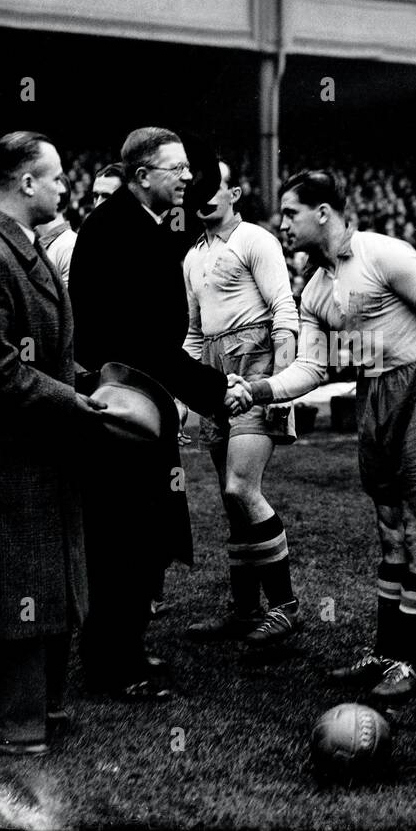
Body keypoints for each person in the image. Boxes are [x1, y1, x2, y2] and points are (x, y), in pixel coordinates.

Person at [239, 169, 416, 706]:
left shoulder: (383, 253)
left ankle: (406, 663)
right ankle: (385, 651)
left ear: (323, 212)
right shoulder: (316, 288)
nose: (282, 224)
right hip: (375, 396)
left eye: (290, 213)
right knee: (389, 530)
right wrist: (258, 390)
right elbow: (312, 368)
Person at [0, 131, 112, 754]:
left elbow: (48, 351)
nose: (66, 186)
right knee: (12, 589)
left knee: (40, 582)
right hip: (2, 456)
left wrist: (93, 385)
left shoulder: (20, 250)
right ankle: (5, 719)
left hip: (36, 448)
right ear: (27, 182)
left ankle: (37, 708)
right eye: (57, 176)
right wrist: (73, 401)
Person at [68, 127, 247, 700]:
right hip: (123, 408)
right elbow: (146, 343)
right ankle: (112, 665)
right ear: (142, 175)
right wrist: (217, 390)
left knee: (143, 536)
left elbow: (204, 188)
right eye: (176, 169)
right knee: (123, 539)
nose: (188, 178)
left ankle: (125, 646)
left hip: (137, 401)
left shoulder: (141, 224)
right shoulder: (118, 231)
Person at [181, 156, 303, 648]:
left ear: (235, 193)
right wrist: (186, 395)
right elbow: (193, 332)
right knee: (230, 502)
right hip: (213, 372)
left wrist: (282, 383)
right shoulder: (191, 255)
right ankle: (245, 611)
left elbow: (283, 309)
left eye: (217, 185)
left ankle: (285, 607)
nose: (205, 193)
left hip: (255, 366)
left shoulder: (256, 239)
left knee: (239, 488)